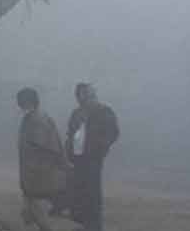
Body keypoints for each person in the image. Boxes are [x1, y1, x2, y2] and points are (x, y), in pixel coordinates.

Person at [65, 83, 119, 231]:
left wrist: (100, 148)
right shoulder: (76, 113)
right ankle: (83, 222)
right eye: (81, 94)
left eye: (88, 94)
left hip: (93, 159)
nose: (85, 97)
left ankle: (94, 226)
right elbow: (70, 133)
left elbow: (113, 132)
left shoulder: (104, 111)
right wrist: (68, 150)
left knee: (92, 192)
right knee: (78, 191)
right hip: (77, 158)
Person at [17, 88, 68, 231]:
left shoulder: (38, 119)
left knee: (35, 206)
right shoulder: (31, 118)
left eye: (21, 102)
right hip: (32, 171)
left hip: (39, 172)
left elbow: (44, 146)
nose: (19, 106)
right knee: (30, 207)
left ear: (29, 102)